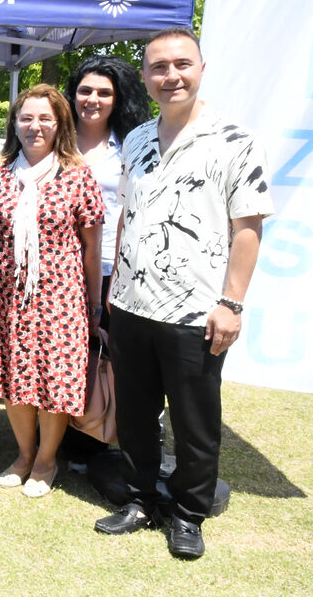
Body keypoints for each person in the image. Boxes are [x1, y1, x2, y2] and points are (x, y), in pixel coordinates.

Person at [94, 28, 270, 560]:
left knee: (195, 423)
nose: (170, 76)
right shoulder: (139, 139)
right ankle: (144, 498)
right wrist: (114, 288)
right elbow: (127, 213)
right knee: (135, 415)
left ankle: (189, 513)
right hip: (131, 305)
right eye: (158, 67)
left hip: (196, 312)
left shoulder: (236, 141)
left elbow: (248, 227)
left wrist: (232, 303)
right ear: (145, 77)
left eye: (181, 64)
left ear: (201, 67)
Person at [0, 84, 105, 498]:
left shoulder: (78, 177)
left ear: (60, 123)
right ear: (15, 124)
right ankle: (24, 455)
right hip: (6, 298)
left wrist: (95, 305)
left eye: (45, 117)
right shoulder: (0, 179)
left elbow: (92, 248)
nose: (35, 126)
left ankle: (47, 462)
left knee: (54, 382)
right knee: (15, 379)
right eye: (26, 117)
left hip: (61, 300)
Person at [59, 55, 152, 468]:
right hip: (57, 265)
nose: (92, 99)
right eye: (84, 90)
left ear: (118, 99)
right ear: (72, 94)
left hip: (115, 264)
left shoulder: (134, 142)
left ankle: (93, 438)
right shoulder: (55, 136)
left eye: (103, 92)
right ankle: (55, 435)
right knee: (60, 353)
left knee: (102, 355)